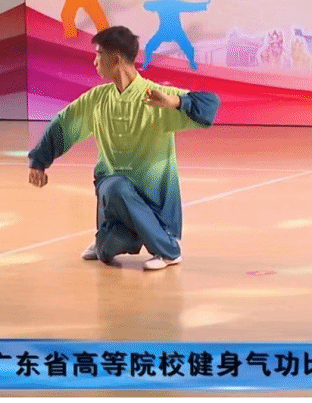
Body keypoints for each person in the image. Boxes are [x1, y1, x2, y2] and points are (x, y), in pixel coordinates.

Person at [27, 26, 220, 270]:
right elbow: (63, 124)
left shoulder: (158, 96)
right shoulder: (97, 99)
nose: (94, 61)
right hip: (115, 205)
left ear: (116, 59)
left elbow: (211, 104)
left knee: (116, 185)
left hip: (154, 202)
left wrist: (174, 102)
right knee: (105, 251)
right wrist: (39, 161)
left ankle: (168, 250)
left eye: (99, 54)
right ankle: (130, 235)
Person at [142, 0, 210, 70]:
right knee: (188, 48)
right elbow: (190, 6)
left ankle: (192, 64)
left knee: (150, 47)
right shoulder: (171, 3)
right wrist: (204, 5)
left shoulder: (162, 3)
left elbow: (190, 6)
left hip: (172, 31)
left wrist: (204, 5)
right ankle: (146, 63)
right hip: (169, 31)